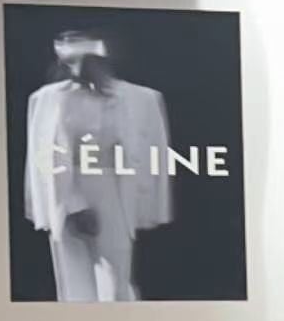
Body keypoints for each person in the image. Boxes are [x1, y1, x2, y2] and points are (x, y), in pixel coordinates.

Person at [24, 28, 173, 303]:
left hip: (113, 187)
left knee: (116, 277)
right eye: (70, 60)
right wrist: (73, 204)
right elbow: (46, 155)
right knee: (75, 280)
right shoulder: (50, 99)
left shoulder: (139, 98)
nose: (78, 67)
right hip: (67, 187)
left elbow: (147, 150)